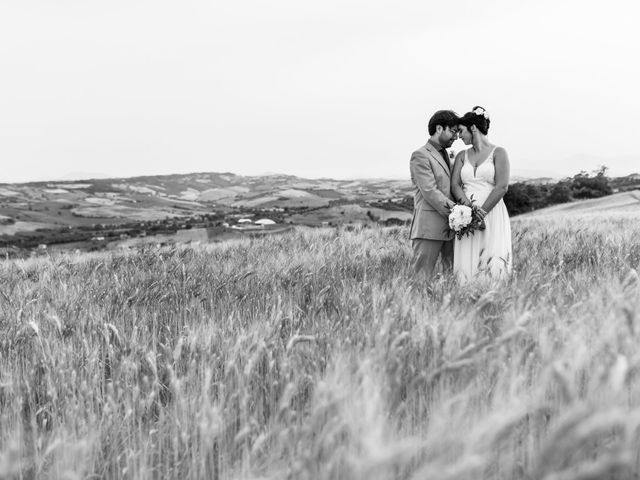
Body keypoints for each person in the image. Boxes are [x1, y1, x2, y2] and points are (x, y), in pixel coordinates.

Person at [450, 106, 512, 282]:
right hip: (466, 215)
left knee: (492, 256)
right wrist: (470, 211)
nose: (459, 136)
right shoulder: (462, 155)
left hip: (492, 212)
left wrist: (482, 213)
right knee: (467, 260)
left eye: (461, 131)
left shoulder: (499, 152)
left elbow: (502, 186)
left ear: (473, 128)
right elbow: (455, 185)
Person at [409, 110, 459, 280]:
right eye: (453, 131)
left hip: (452, 227)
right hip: (429, 227)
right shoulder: (420, 155)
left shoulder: (449, 155)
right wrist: (458, 212)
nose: (456, 136)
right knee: (421, 278)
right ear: (439, 128)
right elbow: (429, 191)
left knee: (451, 278)